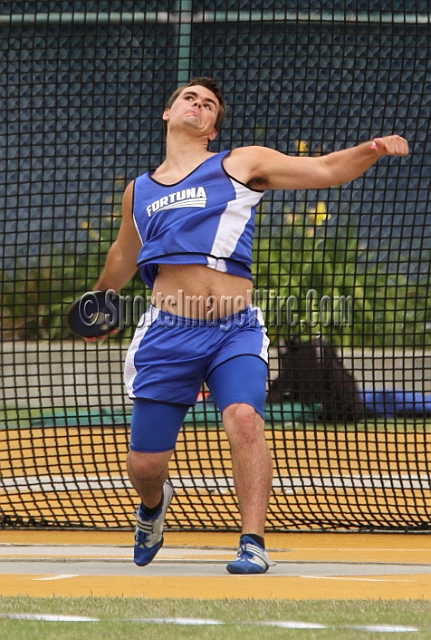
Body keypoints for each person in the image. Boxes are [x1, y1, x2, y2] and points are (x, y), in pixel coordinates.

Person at [92, 77, 408, 574]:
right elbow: (124, 254)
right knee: (146, 466)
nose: (198, 105)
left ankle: (252, 541)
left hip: (234, 328)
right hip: (167, 333)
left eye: (209, 104)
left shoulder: (239, 164)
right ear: (168, 114)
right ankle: (152, 508)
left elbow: (324, 169)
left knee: (244, 417)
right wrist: (101, 298)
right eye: (188, 99)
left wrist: (372, 149)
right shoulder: (141, 190)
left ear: (213, 128)